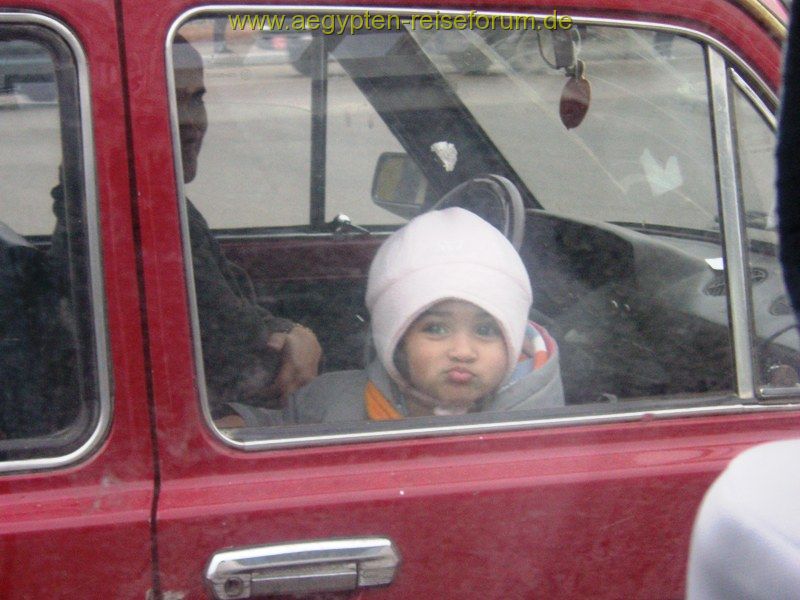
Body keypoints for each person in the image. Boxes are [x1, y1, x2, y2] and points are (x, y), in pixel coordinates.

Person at [229, 207, 563, 426]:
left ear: (515, 337)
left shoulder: (543, 429)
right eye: (436, 328)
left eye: (486, 329)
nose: (463, 350)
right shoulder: (333, 403)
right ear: (396, 339)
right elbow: (267, 431)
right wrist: (238, 423)